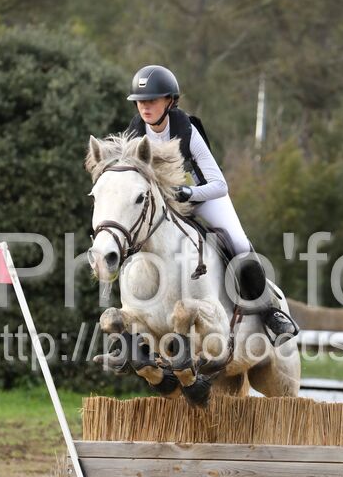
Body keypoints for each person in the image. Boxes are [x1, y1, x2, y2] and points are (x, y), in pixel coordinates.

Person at [125, 64, 299, 343]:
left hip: (202, 195)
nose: (145, 107)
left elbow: (220, 185)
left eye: (152, 100)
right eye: (140, 101)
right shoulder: (135, 131)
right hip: (164, 203)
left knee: (238, 243)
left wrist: (188, 192)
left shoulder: (186, 129)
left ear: (169, 101)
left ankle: (269, 312)